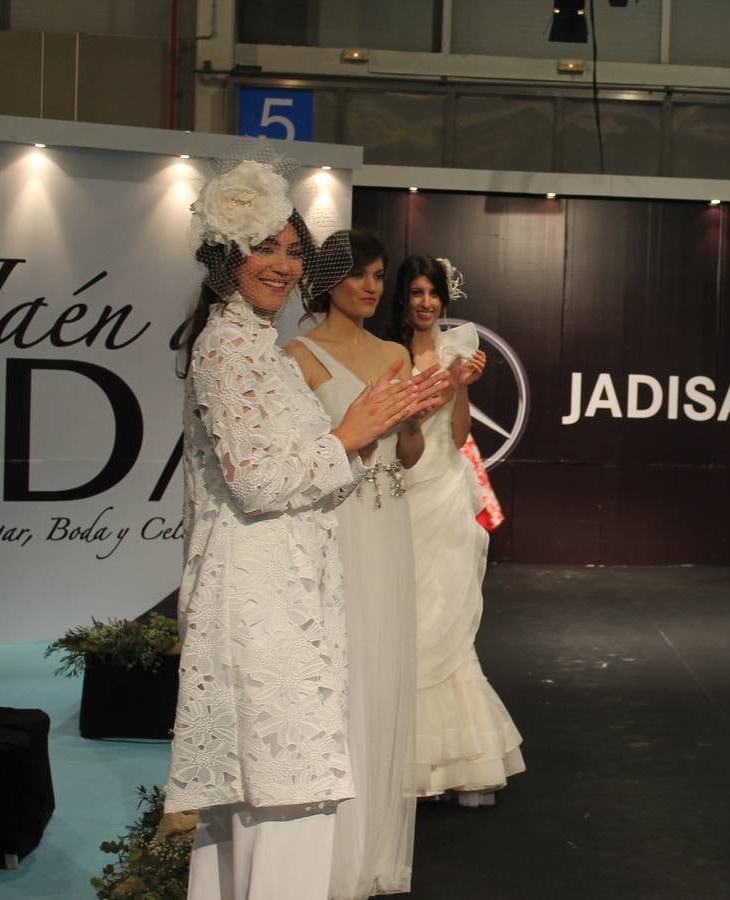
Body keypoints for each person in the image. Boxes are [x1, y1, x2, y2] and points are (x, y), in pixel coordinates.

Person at [166, 158, 446, 900]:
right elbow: (258, 482)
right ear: (226, 255)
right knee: (284, 799)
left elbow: (313, 470)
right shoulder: (227, 347)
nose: (284, 265)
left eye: (293, 251)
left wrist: (376, 430)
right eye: (264, 247)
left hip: (288, 588)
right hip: (260, 597)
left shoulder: (256, 346)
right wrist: (351, 433)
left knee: (269, 802)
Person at [286, 228, 444, 899]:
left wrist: (412, 423)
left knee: (380, 669)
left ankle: (371, 844)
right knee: (339, 672)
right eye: (359, 274)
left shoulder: (394, 353)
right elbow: (304, 457)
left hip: (385, 519)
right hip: (335, 523)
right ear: (327, 281)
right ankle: (327, 848)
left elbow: (408, 456)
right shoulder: (297, 356)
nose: (372, 287)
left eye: (379, 275)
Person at [388, 254, 525, 803]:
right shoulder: (386, 353)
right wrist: (440, 386)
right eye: (416, 292)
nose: (426, 303)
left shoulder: (457, 349)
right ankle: (401, 759)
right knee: (404, 616)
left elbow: (461, 434)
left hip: (444, 491)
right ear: (403, 298)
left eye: (433, 293)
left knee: (444, 617)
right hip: (399, 490)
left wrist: (460, 386)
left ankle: (458, 762)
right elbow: (397, 427)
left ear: (444, 299)